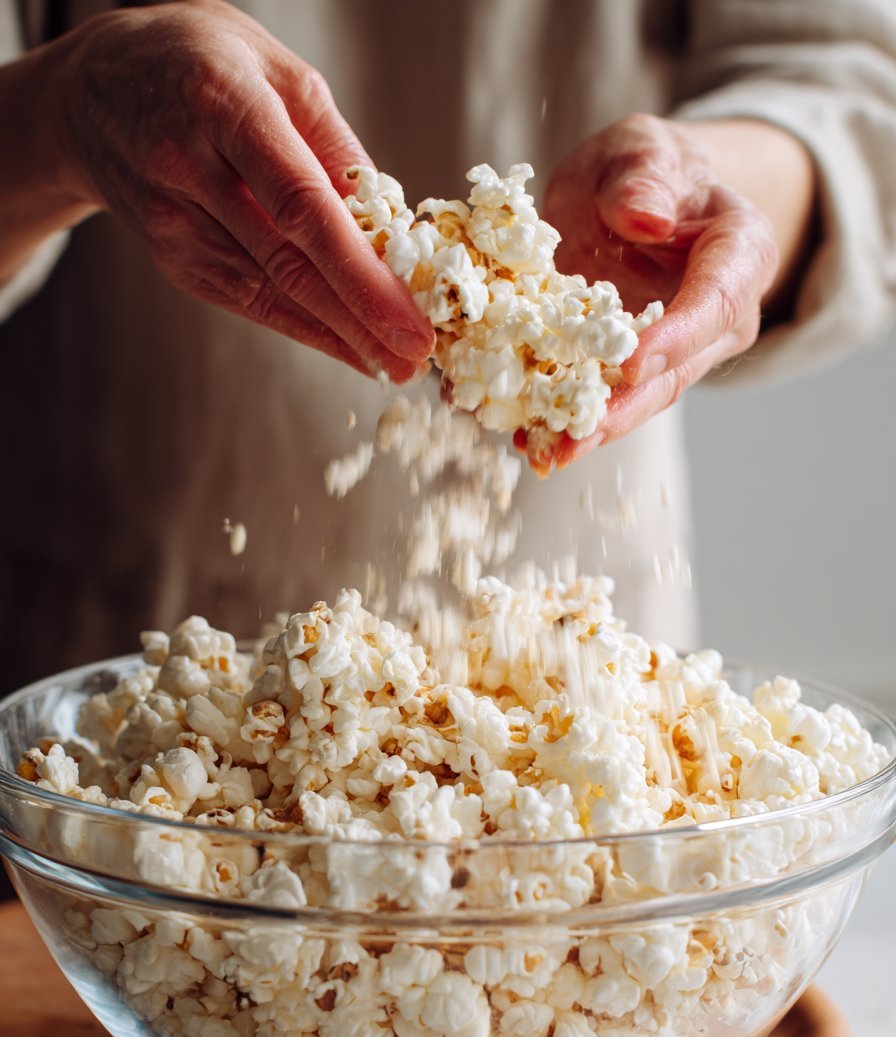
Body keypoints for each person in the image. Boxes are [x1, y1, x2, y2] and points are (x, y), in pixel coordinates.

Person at [0, 0, 894, 702]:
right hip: (115, 647)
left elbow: (846, 80)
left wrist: (705, 186)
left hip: (572, 663)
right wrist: (60, 111)